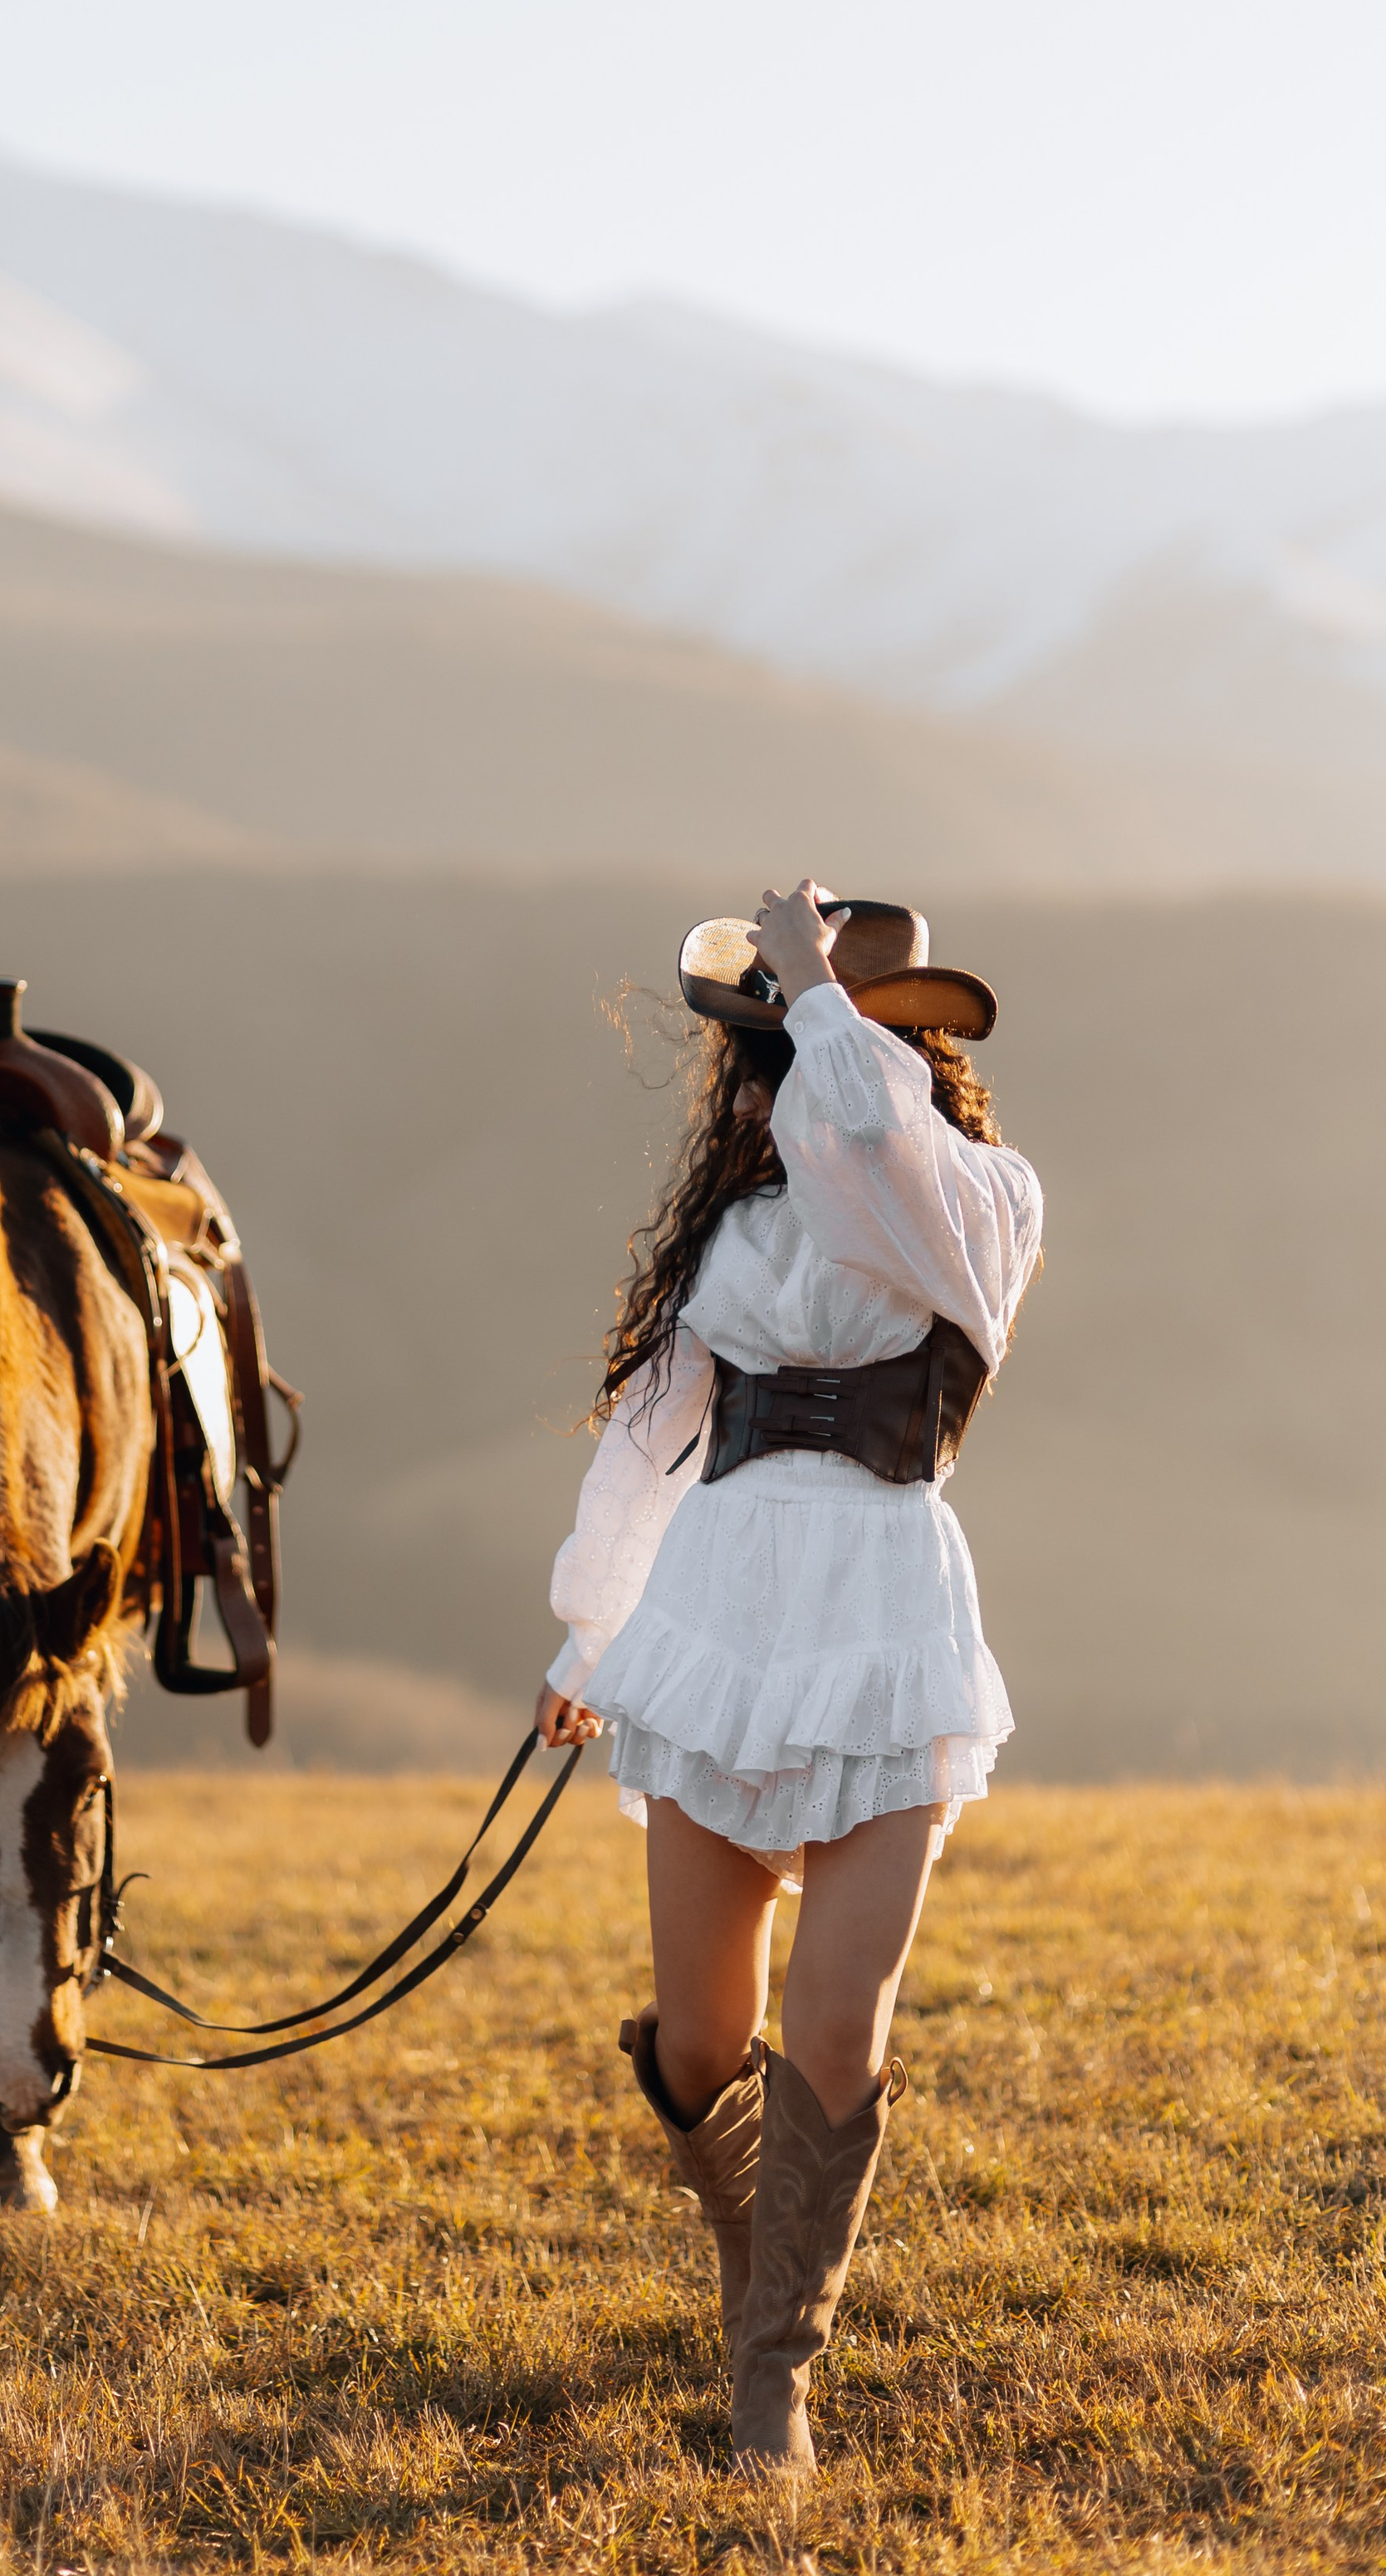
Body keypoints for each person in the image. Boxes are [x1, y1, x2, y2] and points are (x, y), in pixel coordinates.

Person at [535, 880, 1041, 2473]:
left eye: (803, 1049)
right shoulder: (736, 1237)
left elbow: (875, 1148)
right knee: (701, 2045)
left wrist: (817, 989)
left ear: (890, 1052)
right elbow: (650, 1441)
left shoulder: (974, 1200)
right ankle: (759, 2254)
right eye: (762, 1058)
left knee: (835, 2031)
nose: (770, 1089)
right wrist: (590, 1633)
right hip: (717, 1623)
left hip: (883, 1624)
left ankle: (776, 2376)